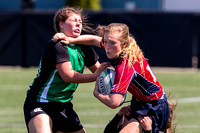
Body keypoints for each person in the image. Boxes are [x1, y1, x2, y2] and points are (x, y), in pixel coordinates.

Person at [52, 23, 173, 133]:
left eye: (112, 43)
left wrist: (97, 93)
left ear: (124, 43)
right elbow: (94, 40)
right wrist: (71, 39)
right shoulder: (122, 48)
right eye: (105, 41)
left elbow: (114, 102)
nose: (107, 47)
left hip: (153, 108)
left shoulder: (125, 65)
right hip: (142, 102)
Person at [23, 7, 109, 133]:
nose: (79, 24)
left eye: (80, 21)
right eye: (74, 20)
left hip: (63, 106)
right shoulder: (58, 44)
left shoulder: (83, 47)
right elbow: (68, 76)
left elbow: (102, 71)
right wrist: (95, 76)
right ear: (61, 23)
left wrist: (115, 84)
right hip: (40, 103)